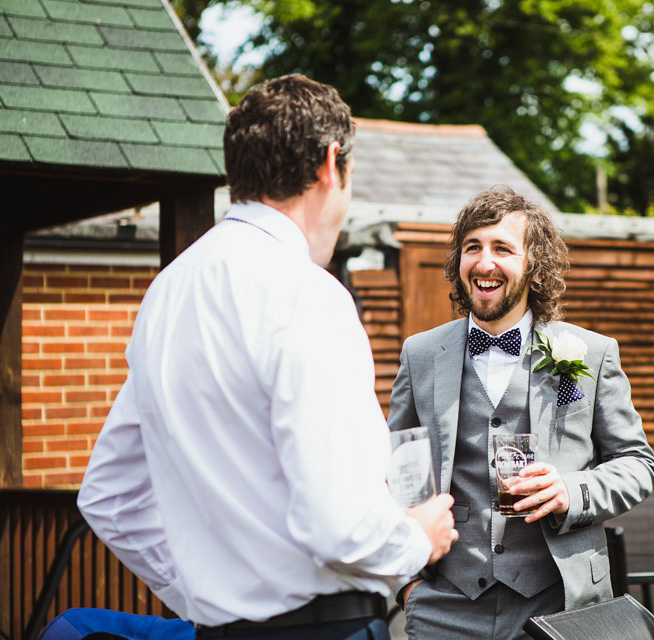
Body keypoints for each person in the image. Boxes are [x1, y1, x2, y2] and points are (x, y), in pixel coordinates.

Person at [77, 74, 457, 640]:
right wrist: (416, 540)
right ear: (332, 164)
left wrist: (207, 598)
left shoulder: (167, 291)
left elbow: (108, 496)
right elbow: (340, 526)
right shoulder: (308, 292)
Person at [388, 185, 654, 639]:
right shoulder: (420, 354)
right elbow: (396, 474)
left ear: (534, 264)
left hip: (558, 604)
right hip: (444, 605)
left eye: (502, 248)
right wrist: (407, 588)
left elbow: (639, 463)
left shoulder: (590, 353)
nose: (484, 262)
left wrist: (571, 491)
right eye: (472, 247)